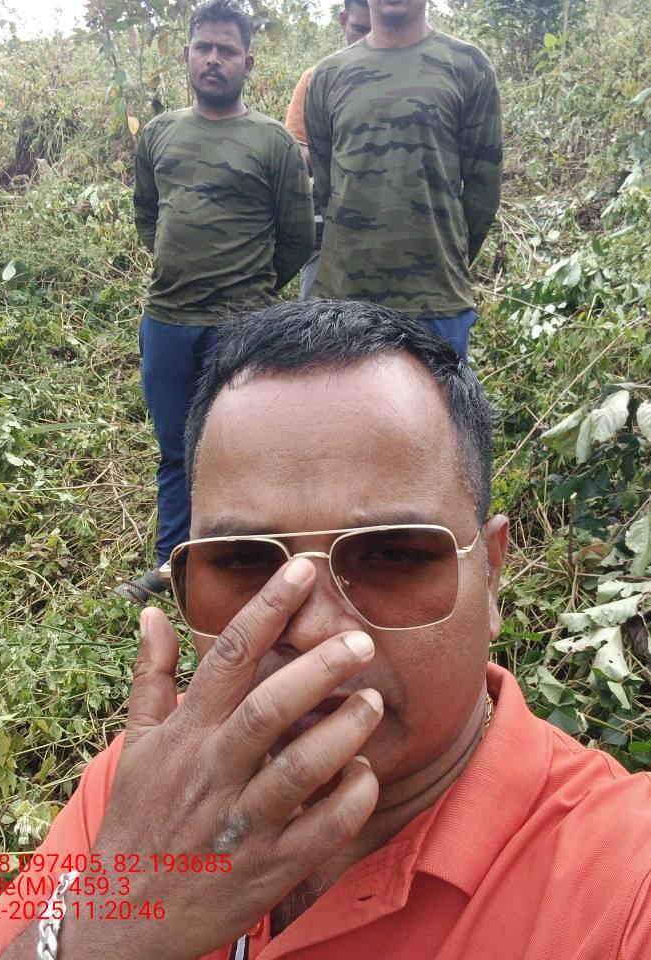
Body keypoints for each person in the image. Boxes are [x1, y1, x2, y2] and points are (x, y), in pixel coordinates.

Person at [0, 299, 651, 960]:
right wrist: (100, 930)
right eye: (245, 564)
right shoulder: (149, 797)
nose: (313, 630)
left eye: (394, 557)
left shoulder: (649, 902)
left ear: (491, 575)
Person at [116, 0, 314, 602]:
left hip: (243, 326)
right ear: (186, 56)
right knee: (177, 449)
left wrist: (251, 291)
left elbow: (297, 237)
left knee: (245, 445)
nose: (213, 59)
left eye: (227, 50)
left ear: (247, 63)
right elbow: (147, 215)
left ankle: (253, 558)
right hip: (168, 320)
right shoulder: (159, 134)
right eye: (203, 47)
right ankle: (172, 563)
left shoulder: (273, 142)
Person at [304, 0, 503, 361]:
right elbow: (326, 186)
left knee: (436, 401)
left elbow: (483, 192)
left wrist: (442, 260)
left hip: (436, 302)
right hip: (342, 302)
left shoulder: (467, 66)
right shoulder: (328, 75)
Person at [284, 0, 372, 299]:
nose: (367, 40)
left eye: (375, 30)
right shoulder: (318, 78)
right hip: (328, 225)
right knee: (317, 318)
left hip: (392, 232)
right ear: (344, 21)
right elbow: (297, 154)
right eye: (360, 29)